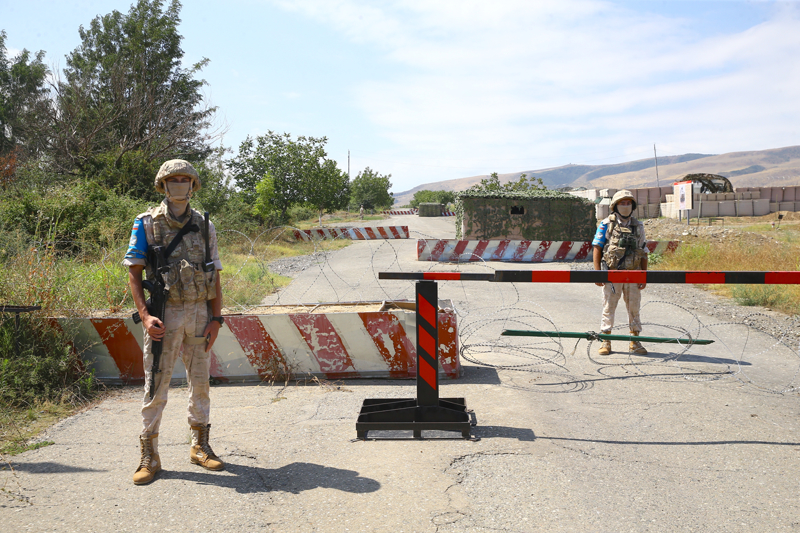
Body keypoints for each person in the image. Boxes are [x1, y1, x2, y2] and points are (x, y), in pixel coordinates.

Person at [123, 159, 225, 485]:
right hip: (164, 315)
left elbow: (214, 274)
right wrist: (144, 314)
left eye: (185, 178)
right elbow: (134, 272)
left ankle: (200, 445)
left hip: (198, 313)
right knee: (156, 384)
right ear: (163, 185)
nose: (179, 183)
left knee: (200, 382)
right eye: (173, 179)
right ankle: (149, 456)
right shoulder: (146, 224)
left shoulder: (205, 224)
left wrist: (217, 318)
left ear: (193, 185)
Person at [592, 190, 649, 356]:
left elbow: (643, 250)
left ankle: (634, 341)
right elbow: (597, 247)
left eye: (628, 203)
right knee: (609, 306)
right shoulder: (606, 224)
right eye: (622, 203)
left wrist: (643, 275)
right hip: (612, 274)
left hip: (633, 273)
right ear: (615, 206)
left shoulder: (638, 226)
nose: (625, 206)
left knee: (634, 308)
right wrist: (598, 273)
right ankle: (606, 340)